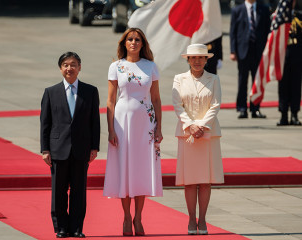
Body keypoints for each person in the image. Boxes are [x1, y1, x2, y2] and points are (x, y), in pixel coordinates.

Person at [103, 28, 163, 236]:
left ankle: (138, 217)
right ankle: (126, 217)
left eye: (138, 40)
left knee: (141, 170)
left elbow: (155, 99)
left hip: (145, 124)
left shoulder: (151, 66)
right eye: (130, 39)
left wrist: (159, 128)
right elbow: (110, 100)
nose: (134, 42)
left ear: (143, 44)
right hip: (122, 122)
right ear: (124, 42)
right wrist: (110, 129)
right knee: (124, 169)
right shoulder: (116, 66)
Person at [40, 52, 100, 238]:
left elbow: (94, 122)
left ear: (79, 67)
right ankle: (61, 228)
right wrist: (45, 149)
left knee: (78, 192)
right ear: (60, 68)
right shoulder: (51, 92)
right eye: (65, 65)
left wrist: (94, 147)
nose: (69, 68)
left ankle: (76, 228)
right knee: (58, 192)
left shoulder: (90, 91)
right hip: (58, 149)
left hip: (81, 149)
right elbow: (45, 123)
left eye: (73, 64)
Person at [172, 44, 224, 235]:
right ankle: (191, 218)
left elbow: (216, 104)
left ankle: (202, 219)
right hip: (187, 134)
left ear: (206, 60)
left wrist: (202, 125)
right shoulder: (179, 79)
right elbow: (177, 105)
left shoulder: (214, 79)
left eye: (201, 58)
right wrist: (191, 125)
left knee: (205, 180)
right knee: (190, 181)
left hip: (208, 133)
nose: (197, 61)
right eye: (193, 57)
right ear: (188, 59)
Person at [230, 0, 271, 119]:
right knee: (242, 81)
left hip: (258, 51)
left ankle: (255, 108)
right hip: (243, 51)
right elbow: (233, 32)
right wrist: (233, 51)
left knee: (257, 81)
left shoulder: (263, 9)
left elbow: (267, 30)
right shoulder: (237, 10)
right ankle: (242, 108)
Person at [277, 0, 302, 126]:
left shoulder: (299, 16)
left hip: (297, 55)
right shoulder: (279, 16)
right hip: (283, 56)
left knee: (296, 86)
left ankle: (295, 114)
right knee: (283, 87)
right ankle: (283, 114)